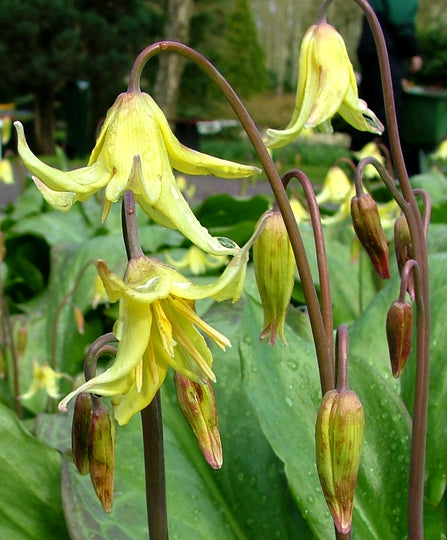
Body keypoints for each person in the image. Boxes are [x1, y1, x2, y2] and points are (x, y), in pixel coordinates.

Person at [352, 0, 423, 174]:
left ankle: (360, 170)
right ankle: (390, 172)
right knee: (388, 113)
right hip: (386, 51)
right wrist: (412, 51)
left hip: (370, 47)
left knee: (365, 109)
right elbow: (401, 18)